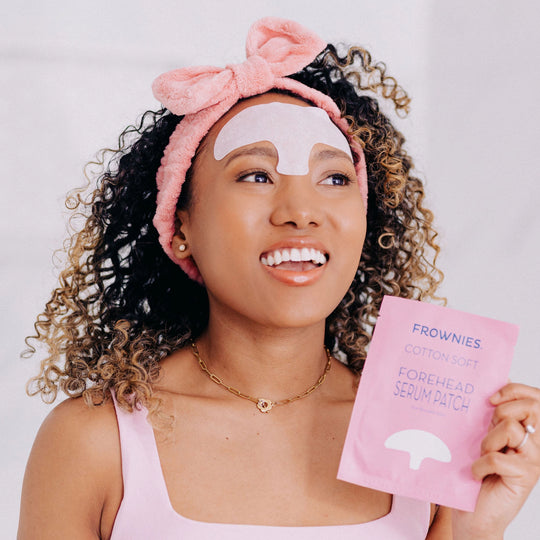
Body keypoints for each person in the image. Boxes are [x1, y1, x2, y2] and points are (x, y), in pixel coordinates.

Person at [18, 17, 540, 539]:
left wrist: (473, 529)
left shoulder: (430, 439)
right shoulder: (94, 440)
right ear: (179, 227)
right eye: (256, 175)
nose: (301, 211)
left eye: (334, 178)